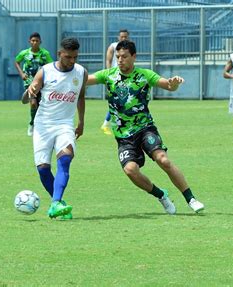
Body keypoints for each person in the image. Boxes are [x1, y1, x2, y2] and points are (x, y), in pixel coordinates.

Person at [87, 40, 204, 215]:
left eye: (124, 57)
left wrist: (174, 82)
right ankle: (161, 195)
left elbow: (168, 85)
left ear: (134, 57)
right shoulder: (108, 75)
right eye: (118, 57)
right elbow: (84, 80)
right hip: (123, 136)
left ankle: (191, 199)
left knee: (163, 159)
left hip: (145, 128)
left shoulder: (144, 75)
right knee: (130, 170)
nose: (120, 60)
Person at [22, 38, 87, 219]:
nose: (72, 61)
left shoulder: (81, 72)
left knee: (65, 159)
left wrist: (81, 122)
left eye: (75, 57)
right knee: (43, 168)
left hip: (65, 124)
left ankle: (55, 203)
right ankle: (58, 202)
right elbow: (24, 100)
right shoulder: (45, 72)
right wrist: (31, 91)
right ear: (60, 54)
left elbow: (81, 98)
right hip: (43, 125)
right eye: (68, 57)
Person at [15, 32, 53, 136]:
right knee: (33, 103)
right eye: (33, 41)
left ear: (40, 42)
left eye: (37, 41)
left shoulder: (45, 54)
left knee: (41, 104)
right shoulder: (25, 53)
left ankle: (41, 124)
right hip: (29, 82)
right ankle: (32, 124)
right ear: (29, 42)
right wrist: (22, 73)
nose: (35, 42)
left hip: (42, 82)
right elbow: (16, 61)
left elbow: (51, 66)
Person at [100, 29, 130, 135]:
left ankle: (113, 124)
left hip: (126, 77)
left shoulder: (130, 47)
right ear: (118, 37)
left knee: (123, 100)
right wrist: (109, 75)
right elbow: (108, 60)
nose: (123, 38)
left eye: (125, 37)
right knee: (118, 100)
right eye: (122, 37)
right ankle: (106, 124)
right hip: (115, 77)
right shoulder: (113, 46)